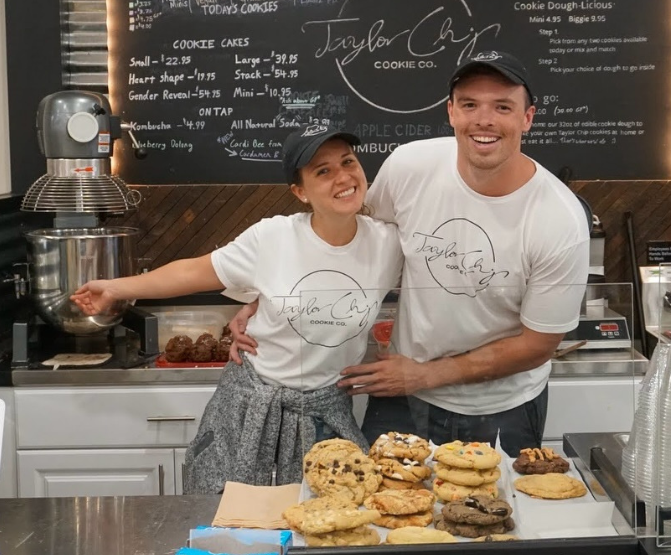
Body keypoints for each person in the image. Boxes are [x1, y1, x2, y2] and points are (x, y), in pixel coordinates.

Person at [231, 51, 590, 456]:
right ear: (451, 111)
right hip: (399, 393)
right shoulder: (411, 165)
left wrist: (424, 376)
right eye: (470, 104)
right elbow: (359, 237)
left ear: (527, 118)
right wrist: (274, 296)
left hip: (501, 407)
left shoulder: (559, 220)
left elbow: (538, 345)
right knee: (380, 513)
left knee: (493, 516)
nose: (484, 120)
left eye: (502, 107)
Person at [70, 124, 403, 492]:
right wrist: (115, 288)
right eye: (323, 171)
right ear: (300, 191)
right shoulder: (272, 237)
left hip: (325, 410)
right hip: (250, 404)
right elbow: (194, 271)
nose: (343, 177)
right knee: (227, 519)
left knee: (324, 524)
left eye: (348, 162)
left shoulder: (387, 243)